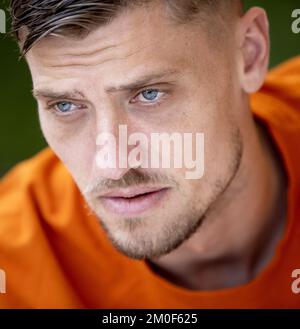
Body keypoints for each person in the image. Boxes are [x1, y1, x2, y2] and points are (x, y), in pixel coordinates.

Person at [0, 0, 299, 308]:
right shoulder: (13, 264)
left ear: (249, 54)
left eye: (149, 94)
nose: (113, 165)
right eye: (65, 106)